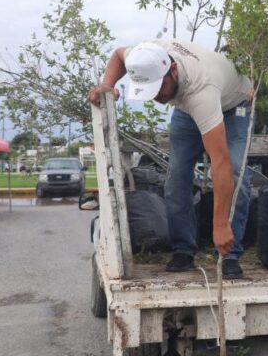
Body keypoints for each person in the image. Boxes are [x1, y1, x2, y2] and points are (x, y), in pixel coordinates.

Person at [88, 39, 254, 277]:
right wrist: (107, 85)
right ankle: (183, 251)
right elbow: (118, 55)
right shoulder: (143, 56)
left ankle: (229, 254)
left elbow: (220, 162)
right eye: (149, 91)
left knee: (235, 171)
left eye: (158, 89)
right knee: (176, 176)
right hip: (187, 108)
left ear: (172, 71)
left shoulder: (202, 91)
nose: (156, 97)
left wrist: (220, 224)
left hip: (234, 105)